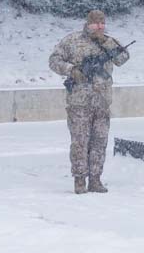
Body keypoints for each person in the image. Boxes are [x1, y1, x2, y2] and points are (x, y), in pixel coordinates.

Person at [48, 10, 131, 194]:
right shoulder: (72, 40)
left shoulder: (109, 42)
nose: (99, 25)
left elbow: (123, 58)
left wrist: (106, 42)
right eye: (95, 22)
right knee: (80, 142)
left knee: (99, 142)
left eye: (102, 22)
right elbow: (54, 60)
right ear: (87, 23)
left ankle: (95, 179)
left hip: (102, 102)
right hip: (79, 103)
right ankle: (79, 180)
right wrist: (71, 70)